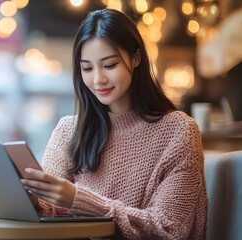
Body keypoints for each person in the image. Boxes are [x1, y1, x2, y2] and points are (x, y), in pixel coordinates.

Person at [21, 9, 207, 240]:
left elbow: (169, 228)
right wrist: (33, 203)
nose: (98, 79)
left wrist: (80, 200)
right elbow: (54, 214)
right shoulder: (69, 131)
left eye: (109, 65)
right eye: (87, 68)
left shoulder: (178, 132)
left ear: (136, 58)